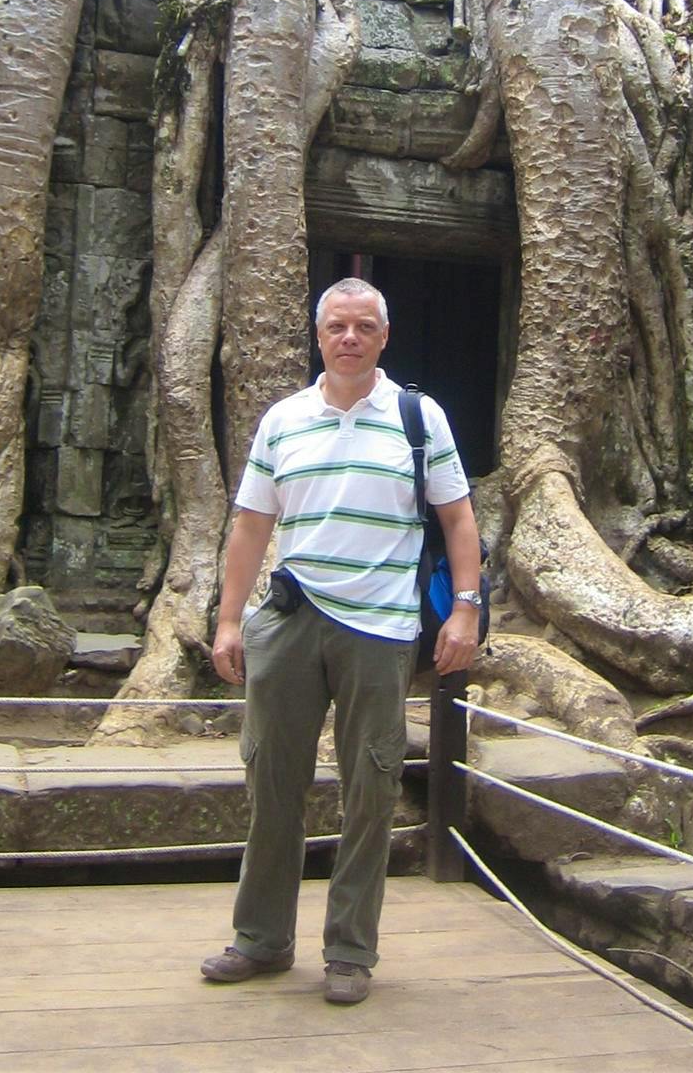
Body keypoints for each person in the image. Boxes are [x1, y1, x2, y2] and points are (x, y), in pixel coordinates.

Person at [201, 276, 482, 1005]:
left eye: (364, 326)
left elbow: (457, 518)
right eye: (336, 326)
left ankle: (351, 951)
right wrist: (229, 620)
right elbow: (250, 526)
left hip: (381, 628)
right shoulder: (283, 419)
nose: (349, 338)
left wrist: (466, 610)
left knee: (371, 789)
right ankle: (261, 939)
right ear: (318, 335)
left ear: (384, 337)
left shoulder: (419, 417)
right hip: (291, 620)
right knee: (271, 781)